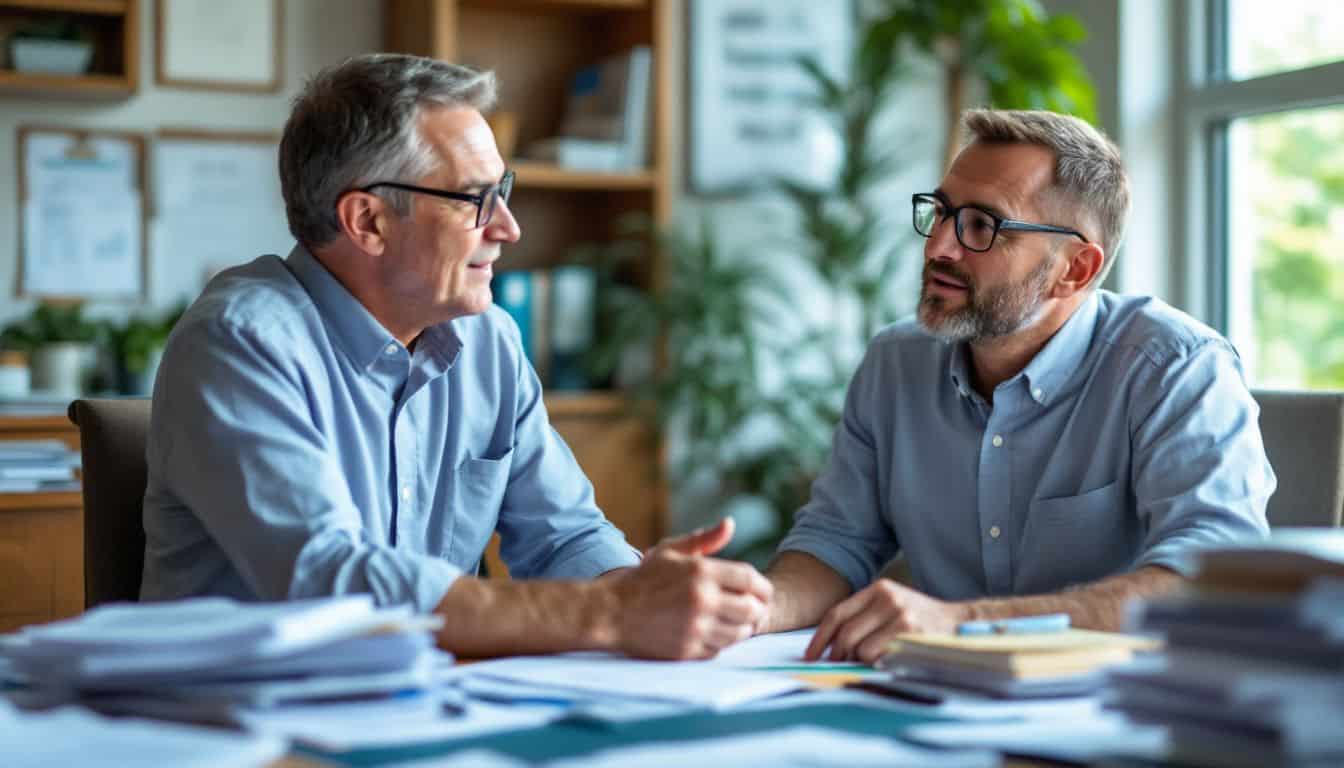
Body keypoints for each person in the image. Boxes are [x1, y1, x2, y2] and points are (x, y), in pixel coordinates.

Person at [139, 53, 770, 661]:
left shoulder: (487, 341)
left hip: (430, 701)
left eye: (505, 191)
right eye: (475, 199)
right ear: (369, 221)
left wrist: (641, 588)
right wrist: (613, 614)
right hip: (244, 720)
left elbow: (566, 537)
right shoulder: (238, 343)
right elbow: (329, 581)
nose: (508, 227)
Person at [758, 109, 1274, 663]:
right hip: (929, 696)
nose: (938, 248)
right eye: (942, 212)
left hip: (1115, 708)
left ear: (1073, 270)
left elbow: (1208, 578)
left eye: (982, 226)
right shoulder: (895, 362)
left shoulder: (1176, 367)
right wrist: (747, 610)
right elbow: (836, 543)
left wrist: (965, 624)